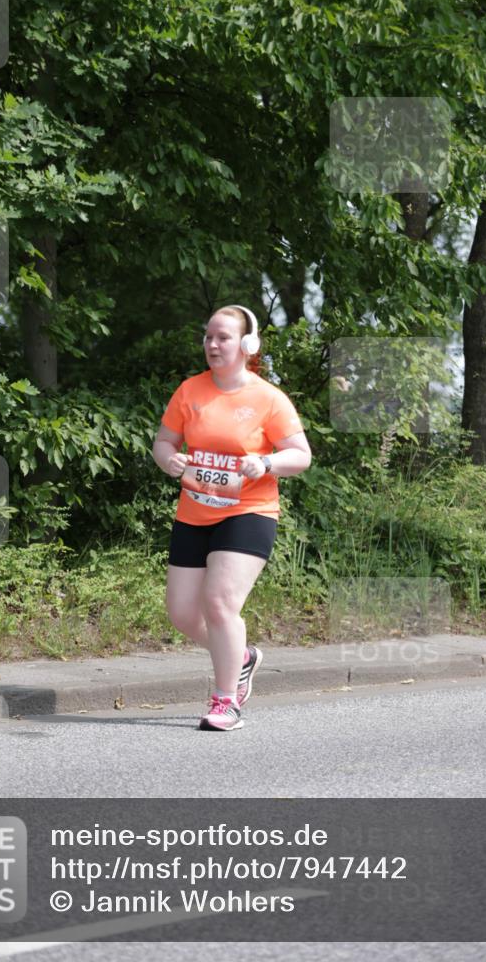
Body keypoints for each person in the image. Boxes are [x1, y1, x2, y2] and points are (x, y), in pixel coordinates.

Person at [152, 305, 312, 731]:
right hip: (194, 512)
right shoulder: (190, 391)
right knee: (183, 613)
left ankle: (226, 701)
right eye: (208, 336)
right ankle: (241, 657)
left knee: (220, 603)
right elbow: (163, 442)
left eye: (222, 337)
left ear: (246, 345)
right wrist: (169, 460)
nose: (212, 344)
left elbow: (301, 455)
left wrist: (266, 463)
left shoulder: (267, 398)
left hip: (248, 512)